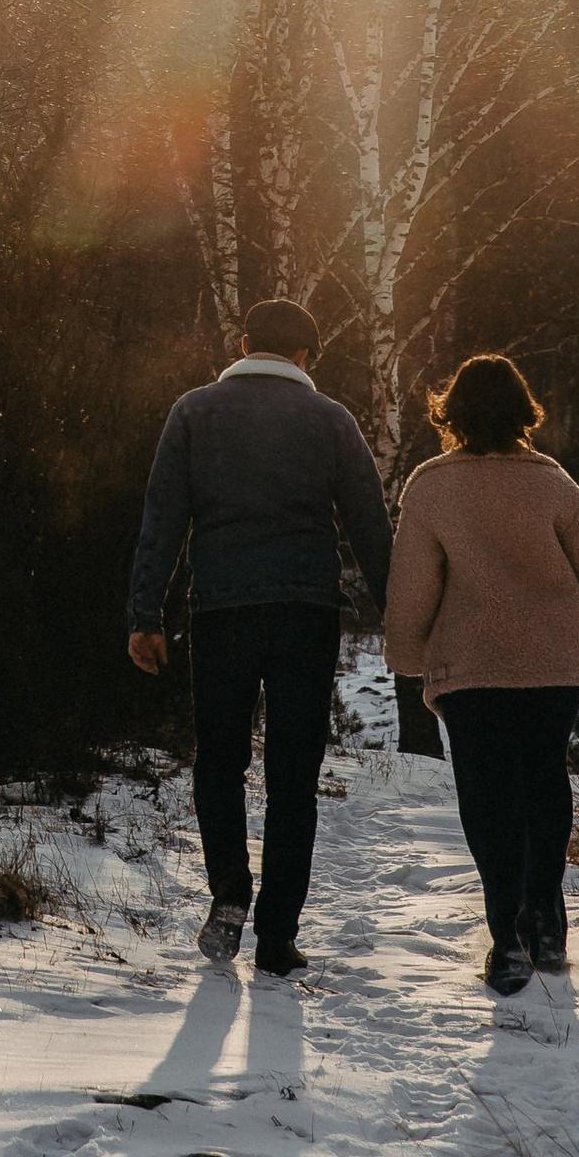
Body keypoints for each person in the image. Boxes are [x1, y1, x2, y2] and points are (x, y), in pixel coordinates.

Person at [127, 296, 393, 978]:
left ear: (245, 342)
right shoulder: (331, 419)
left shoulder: (193, 411)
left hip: (221, 609)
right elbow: (369, 526)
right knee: (293, 777)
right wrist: (403, 616)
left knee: (218, 761)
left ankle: (227, 899)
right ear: (305, 355)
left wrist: (144, 616)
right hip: (306, 610)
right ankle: (278, 935)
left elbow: (163, 517)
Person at [382, 353, 579, 996]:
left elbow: (411, 591)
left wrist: (406, 657)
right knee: (544, 783)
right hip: (551, 664)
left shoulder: (430, 486)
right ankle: (547, 924)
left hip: (470, 669)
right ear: (524, 411)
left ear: (451, 414)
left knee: (488, 798)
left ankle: (506, 938)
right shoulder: (553, 481)